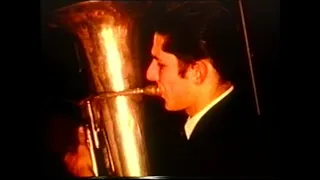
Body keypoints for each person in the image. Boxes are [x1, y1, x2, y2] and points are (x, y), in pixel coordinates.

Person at [64, 1, 271, 177]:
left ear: (196, 72)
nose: (149, 74)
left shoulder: (231, 149)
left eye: (160, 64)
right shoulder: (214, 130)